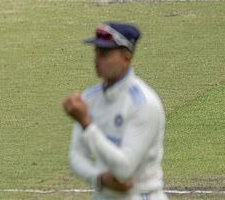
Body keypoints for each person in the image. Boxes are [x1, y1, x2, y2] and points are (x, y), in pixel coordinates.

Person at [63, 23, 168, 200]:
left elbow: (124, 169)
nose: (97, 60)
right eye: (96, 52)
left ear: (127, 56)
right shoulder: (90, 98)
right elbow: (76, 156)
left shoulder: (144, 104)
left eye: (104, 54)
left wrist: (87, 124)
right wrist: (99, 179)